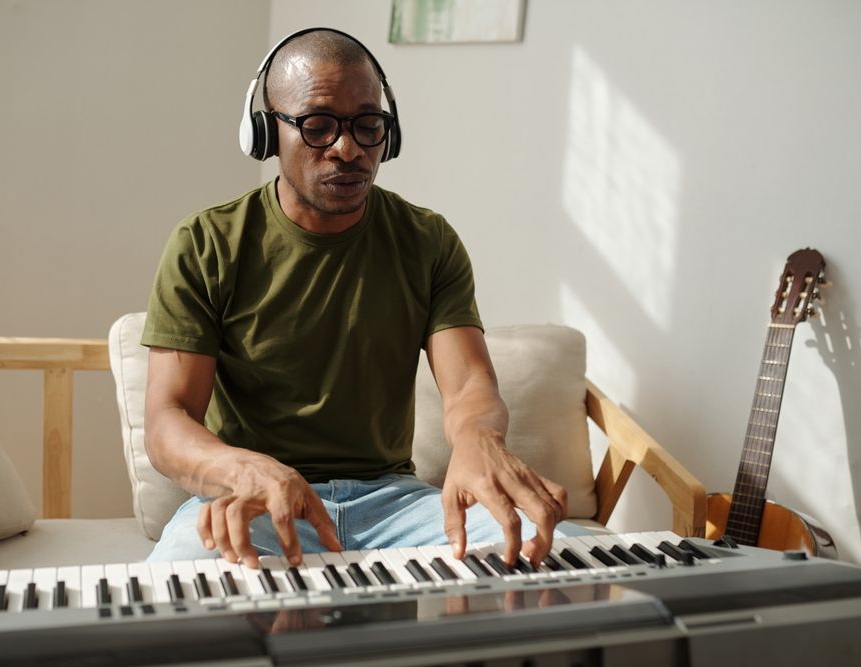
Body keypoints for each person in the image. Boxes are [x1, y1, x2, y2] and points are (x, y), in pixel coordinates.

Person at [141, 28, 581, 573]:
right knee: (177, 584)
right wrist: (242, 470)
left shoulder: (427, 240)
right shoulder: (206, 243)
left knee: (555, 553)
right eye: (317, 125)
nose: (347, 149)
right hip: (255, 503)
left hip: (397, 504)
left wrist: (478, 439)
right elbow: (168, 420)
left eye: (367, 125)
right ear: (266, 132)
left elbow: (469, 385)